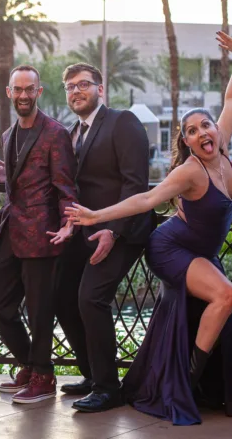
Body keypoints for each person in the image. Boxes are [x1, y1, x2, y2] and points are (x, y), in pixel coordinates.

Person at [66, 32, 232, 424]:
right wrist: (98, 217)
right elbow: (146, 199)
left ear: (216, 130)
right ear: (186, 141)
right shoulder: (189, 172)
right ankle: (184, 381)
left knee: (224, 301)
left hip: (202, 251)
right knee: (227, 295)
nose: (202, 134)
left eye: (206, 126)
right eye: (193, 132)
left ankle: (197, 385)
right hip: (171, 249)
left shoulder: (225, 152)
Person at [45, 62, 155, 413]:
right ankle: (93, 374)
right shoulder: (73, 133)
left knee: (91, 298)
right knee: (62, 298)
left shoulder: (123, 122)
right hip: (85, 230)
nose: (76, 91)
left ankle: (110, 389)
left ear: (100, 89)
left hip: (123, 230)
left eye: (84, 85)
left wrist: (113, 230)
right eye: (70, 87)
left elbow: (135, 183)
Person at [0, 65, 77, 404]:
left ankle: (42, 376)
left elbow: (64, 186)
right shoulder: (8, 134)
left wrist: (69, 222)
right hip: (11, 235)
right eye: (19, 89)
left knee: (40, 311)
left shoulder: (55, 133)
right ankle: (32, 364)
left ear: (39, 92)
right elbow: (17, 194)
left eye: (31, 89)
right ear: (9, 93)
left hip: (44, 236)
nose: (25, 95)